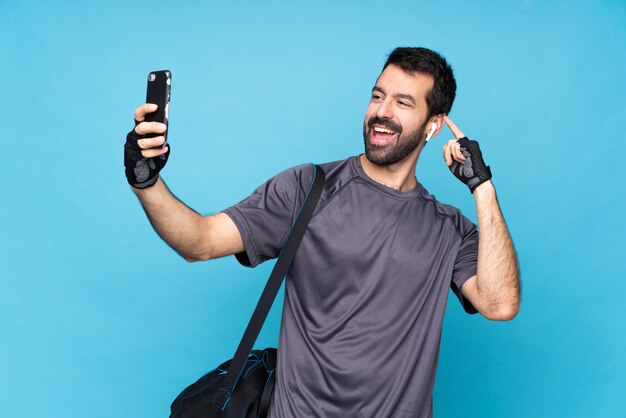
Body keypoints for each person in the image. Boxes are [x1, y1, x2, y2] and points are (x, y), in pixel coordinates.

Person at [124, 47, 521, 418]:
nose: (381, 112)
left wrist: (481, 185)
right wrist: (147, 182)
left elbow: (500, 304)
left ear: (434, 124)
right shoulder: (308, 188)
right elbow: (200, 242)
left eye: (403, 102)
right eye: (377, 96)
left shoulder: (449, 228)